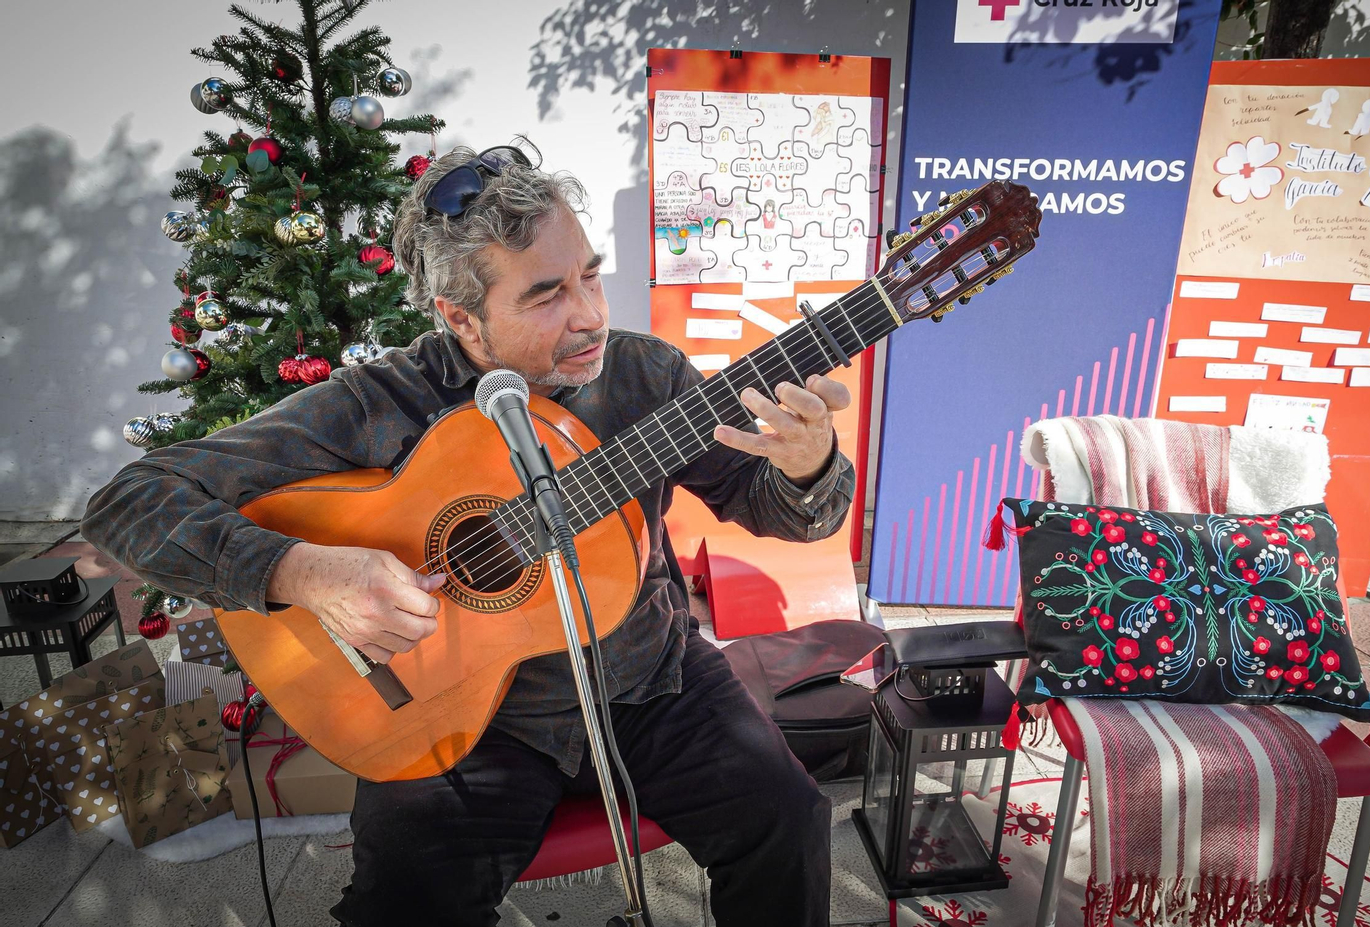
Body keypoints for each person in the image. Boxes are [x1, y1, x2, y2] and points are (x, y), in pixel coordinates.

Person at [78, 143, 856, 927]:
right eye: (546, 295)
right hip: (462, 720)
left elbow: (780, 511)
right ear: (462, 319)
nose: (589, 314)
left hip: (654, 678)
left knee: (789, 822)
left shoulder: (647, 377)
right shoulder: (378, 402)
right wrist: (304, 573)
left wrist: (806, 464)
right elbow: (129, 501)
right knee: (402, 908)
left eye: (590, 274)